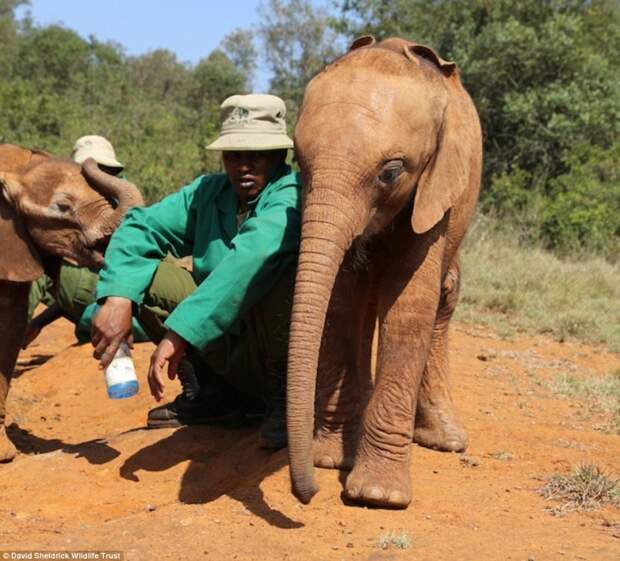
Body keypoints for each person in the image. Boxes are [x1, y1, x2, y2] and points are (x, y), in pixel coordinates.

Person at [91, 94, 301, 450]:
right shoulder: (207, 192)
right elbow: (140, 226)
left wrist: (179, 334)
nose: (243, 166)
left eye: (256, 155)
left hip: (288, 355)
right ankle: (216, 396)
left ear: (280, 156)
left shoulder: (293, 196)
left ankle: (288, 401)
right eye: (234, 155)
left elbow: (252, 255)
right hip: (234, 348)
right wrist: (117, 296)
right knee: (147, 276)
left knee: (281, 277)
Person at [24, 136, 149, 348]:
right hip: (89, 303)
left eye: (104, 170)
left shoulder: (125, 206)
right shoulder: (72, 206)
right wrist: (38, 323)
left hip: (119, 305)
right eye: (90, 170)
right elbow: (71, 286)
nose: (97, 176)